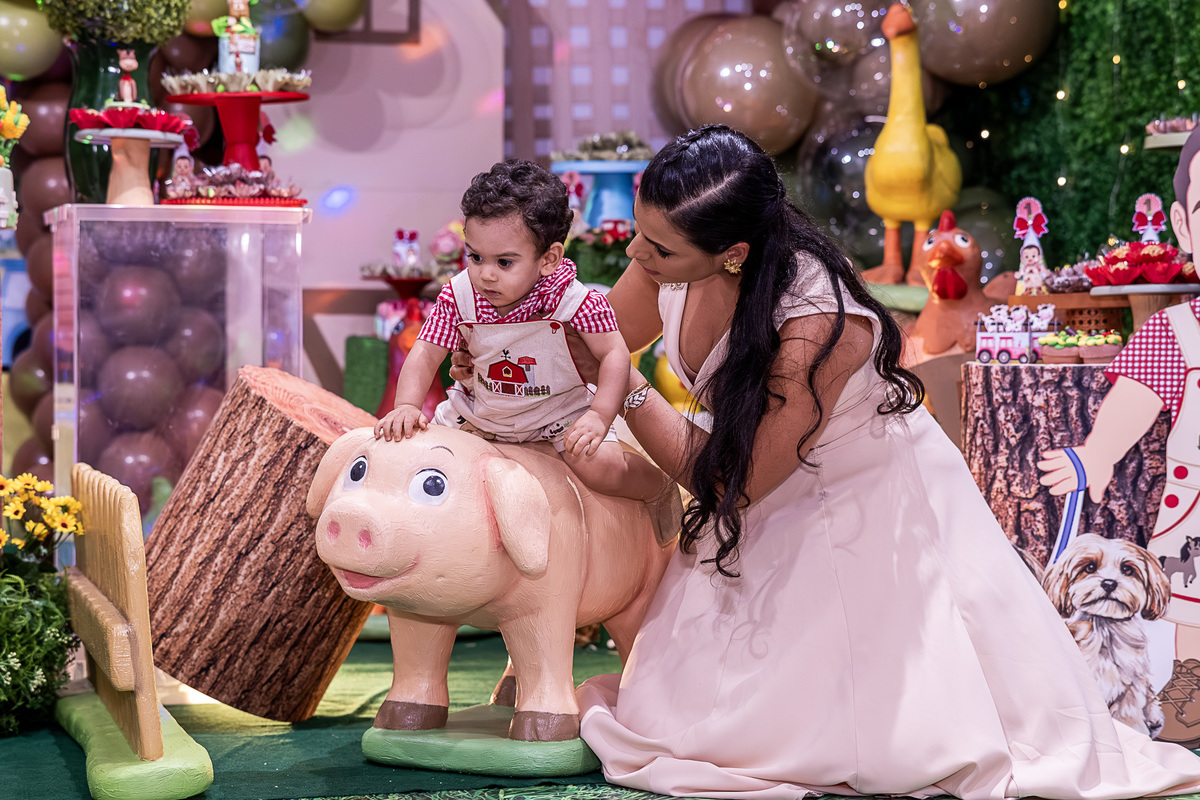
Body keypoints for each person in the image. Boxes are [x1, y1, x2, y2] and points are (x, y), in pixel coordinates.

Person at [486, 124, 1200, 798]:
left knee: (855, 729)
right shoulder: (669, 244)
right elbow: (602, 339)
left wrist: (630, 388)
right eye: (641, 238)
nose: (639, 260)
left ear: (733, 251)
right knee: (670, 712)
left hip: (858, 508)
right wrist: (503, 353)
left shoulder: (821, 324)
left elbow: (739, 486)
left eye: (659, 252)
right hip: (752, 489)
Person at [375, 159, 676, 515]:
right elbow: (425, 351)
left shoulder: (574, 302)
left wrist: (598, 414)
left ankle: (657, 486)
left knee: (601, 469)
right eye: (475, 256)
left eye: (504, 262)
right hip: (479, 416)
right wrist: (407, 405)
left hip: (559, 414)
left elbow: (614, 354)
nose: (485, 275)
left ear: (549, 259)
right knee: (423, 461)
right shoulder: (459, 296)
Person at [1039, 125, 1200, 748]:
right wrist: (1096, 455)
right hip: (1196, 516)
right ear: (1184, 229)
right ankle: (1189, 693)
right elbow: (1136, 399)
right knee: (1191, 611)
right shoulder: (1176, 332)